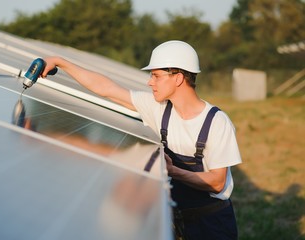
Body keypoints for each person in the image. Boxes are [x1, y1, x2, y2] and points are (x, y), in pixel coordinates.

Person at [41, 40, 242, 240]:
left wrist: (171, 171)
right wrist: (60, 62)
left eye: (156, 75)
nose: (149, 82)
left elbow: (217, 182)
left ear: (178, 78)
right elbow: (106, 88)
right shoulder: (159, 109)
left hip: (211, 226)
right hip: (178, 220)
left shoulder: (216, 122)